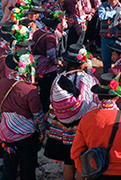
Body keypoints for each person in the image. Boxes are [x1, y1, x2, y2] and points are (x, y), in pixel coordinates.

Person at [70, 73, 121, 180]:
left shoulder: (87, 118)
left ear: (99, 95)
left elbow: (76, 151)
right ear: (117, 96)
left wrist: (84, 169)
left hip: (96, 172)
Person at [45, 44, 99, 180]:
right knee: (80, 163)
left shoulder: (59, 78)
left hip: (63, 126)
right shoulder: (87, 79)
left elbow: (52, 98)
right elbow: (92, 102)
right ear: (83, 63)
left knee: (68, 163)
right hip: (81, 127)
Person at [0, 49, 46, 180]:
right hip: (26, 136)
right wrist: (41, 132)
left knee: (9, 166)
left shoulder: (0, 84)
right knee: (28, 168)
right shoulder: (30, 90)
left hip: (6, 133)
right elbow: (37, 115)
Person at [31, 14, 61, 113]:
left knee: (37, 87)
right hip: (47, 69)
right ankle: (45, 111)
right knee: (46, 90)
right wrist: (57, 62)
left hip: (36, 65)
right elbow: (51, 54)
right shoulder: (50, 38)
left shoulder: (37, 33)